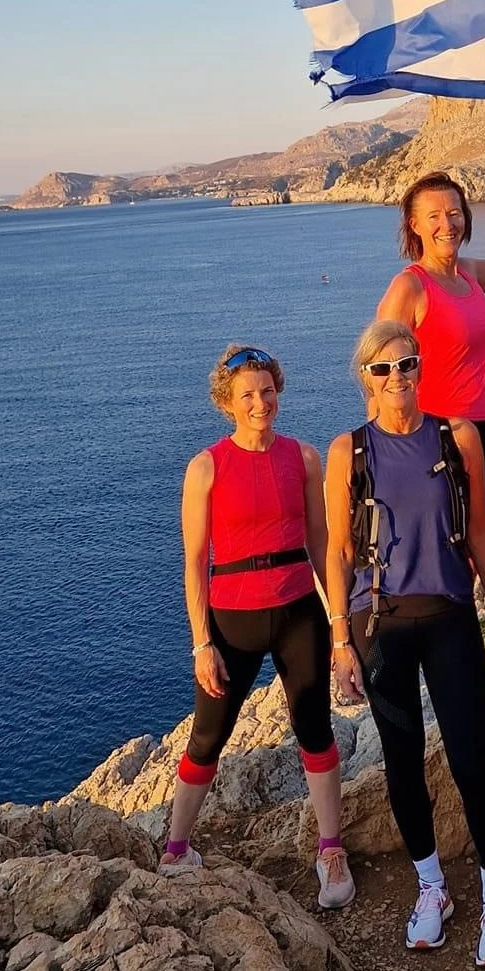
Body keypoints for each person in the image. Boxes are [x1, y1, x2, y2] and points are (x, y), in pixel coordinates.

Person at [324, 319, 485, 967]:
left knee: (468, 759)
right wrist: (339, 644)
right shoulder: (347, 451)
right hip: (378, 626)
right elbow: (337, 550)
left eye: (407, 365)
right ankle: (432, 888)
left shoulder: (456, 437)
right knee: (403, 763)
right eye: (383, 370)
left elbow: (483, 530)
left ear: (419, 369)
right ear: (366, 381)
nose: (397, 378)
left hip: (450, 614)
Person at [161, 345, 352, 911]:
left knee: (314, 729)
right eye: (246, 394)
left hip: (298, 611)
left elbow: (321, 545)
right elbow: (194, 560)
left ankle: (331, 850)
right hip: (232, 622)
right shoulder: (206, 467)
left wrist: (339, 628)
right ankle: (176, 849)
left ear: (279, 391)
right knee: (207, 734)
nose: (259, 402)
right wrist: (201, 643)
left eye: (267, 390)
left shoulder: (305, 457)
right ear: (228, 403)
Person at [376, 162, 485, 477]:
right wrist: (383, 448)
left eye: (455, 213)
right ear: (415, 225)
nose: (448, 224)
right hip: (437, 437)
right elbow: (380, 373)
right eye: (434, 217)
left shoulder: (468, 272)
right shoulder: (410, 286)